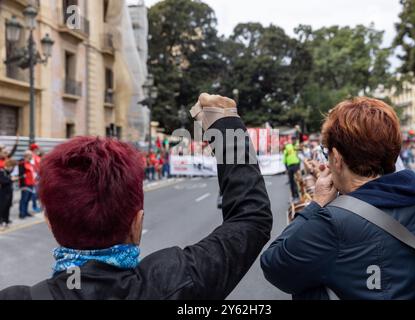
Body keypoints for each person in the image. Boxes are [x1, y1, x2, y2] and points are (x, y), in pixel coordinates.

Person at [0, 93, 272, 300]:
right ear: (137, 223)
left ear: (49, 222)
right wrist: (226, 129)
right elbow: (250, 220)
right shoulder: (174, 282)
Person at [261, 97, 415, 300]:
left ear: (338, 158)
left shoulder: (333, 222)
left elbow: (274, 265)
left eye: (326, 153)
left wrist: (316, 204)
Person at [18, 151, 36, 220]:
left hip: (31, 183)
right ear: (27, 155)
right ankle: (22, 213)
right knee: (24, 199)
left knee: (28, 199)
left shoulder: (30, 163)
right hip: (25, 184)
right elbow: (21, 174)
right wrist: (23, 185)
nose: (32, 156)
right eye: (31, 155)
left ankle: (25, 212)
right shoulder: (22, 163)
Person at [0, 159, 17, 230]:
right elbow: (2, 181)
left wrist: (10, 178)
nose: (12, 168)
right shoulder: (1, 171)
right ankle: (1, 223)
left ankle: (6, 222)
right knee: (2, 208)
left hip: (9, 192)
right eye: (12, 167)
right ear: (9, 165)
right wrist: (11, 179)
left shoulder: (8, 172)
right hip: (3, 193)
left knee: (7, 207)